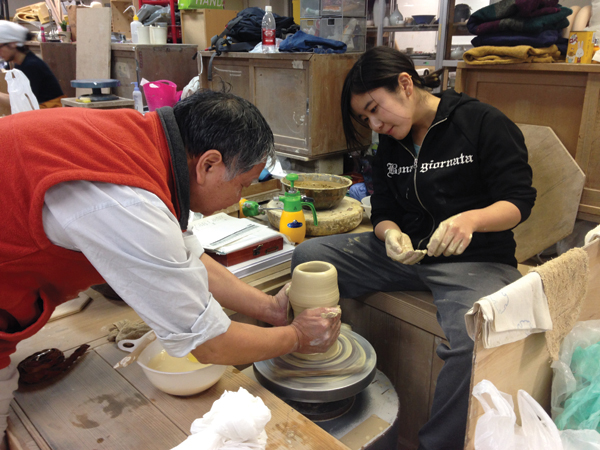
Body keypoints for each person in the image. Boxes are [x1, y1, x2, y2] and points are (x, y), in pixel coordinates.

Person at [0, 90, 341, 449]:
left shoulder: (140, 141)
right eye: (241, 185)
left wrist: (270, 309)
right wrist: (299, 338)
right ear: (208, 164)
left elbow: (186, 254)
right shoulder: (128, 200)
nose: (239, 198)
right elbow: (208, 345)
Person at [292, 46, 536, 450]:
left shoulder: (481, 122)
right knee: (308, 258)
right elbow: (383, 209)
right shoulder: (390, 143)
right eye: (364, 119)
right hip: (407, 257)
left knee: (475, 338)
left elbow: (518, 202)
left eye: (375, 109)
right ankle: (312, 374)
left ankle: (435, 445)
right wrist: (389, 234)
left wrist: (471, 220)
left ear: (405, 84)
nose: (375, 124)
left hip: (474, 262)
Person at [0, 20, 64, 111]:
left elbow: (21, 102)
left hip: (51, 114)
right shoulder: (20, 64)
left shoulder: (31, 66)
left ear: (13, 43)